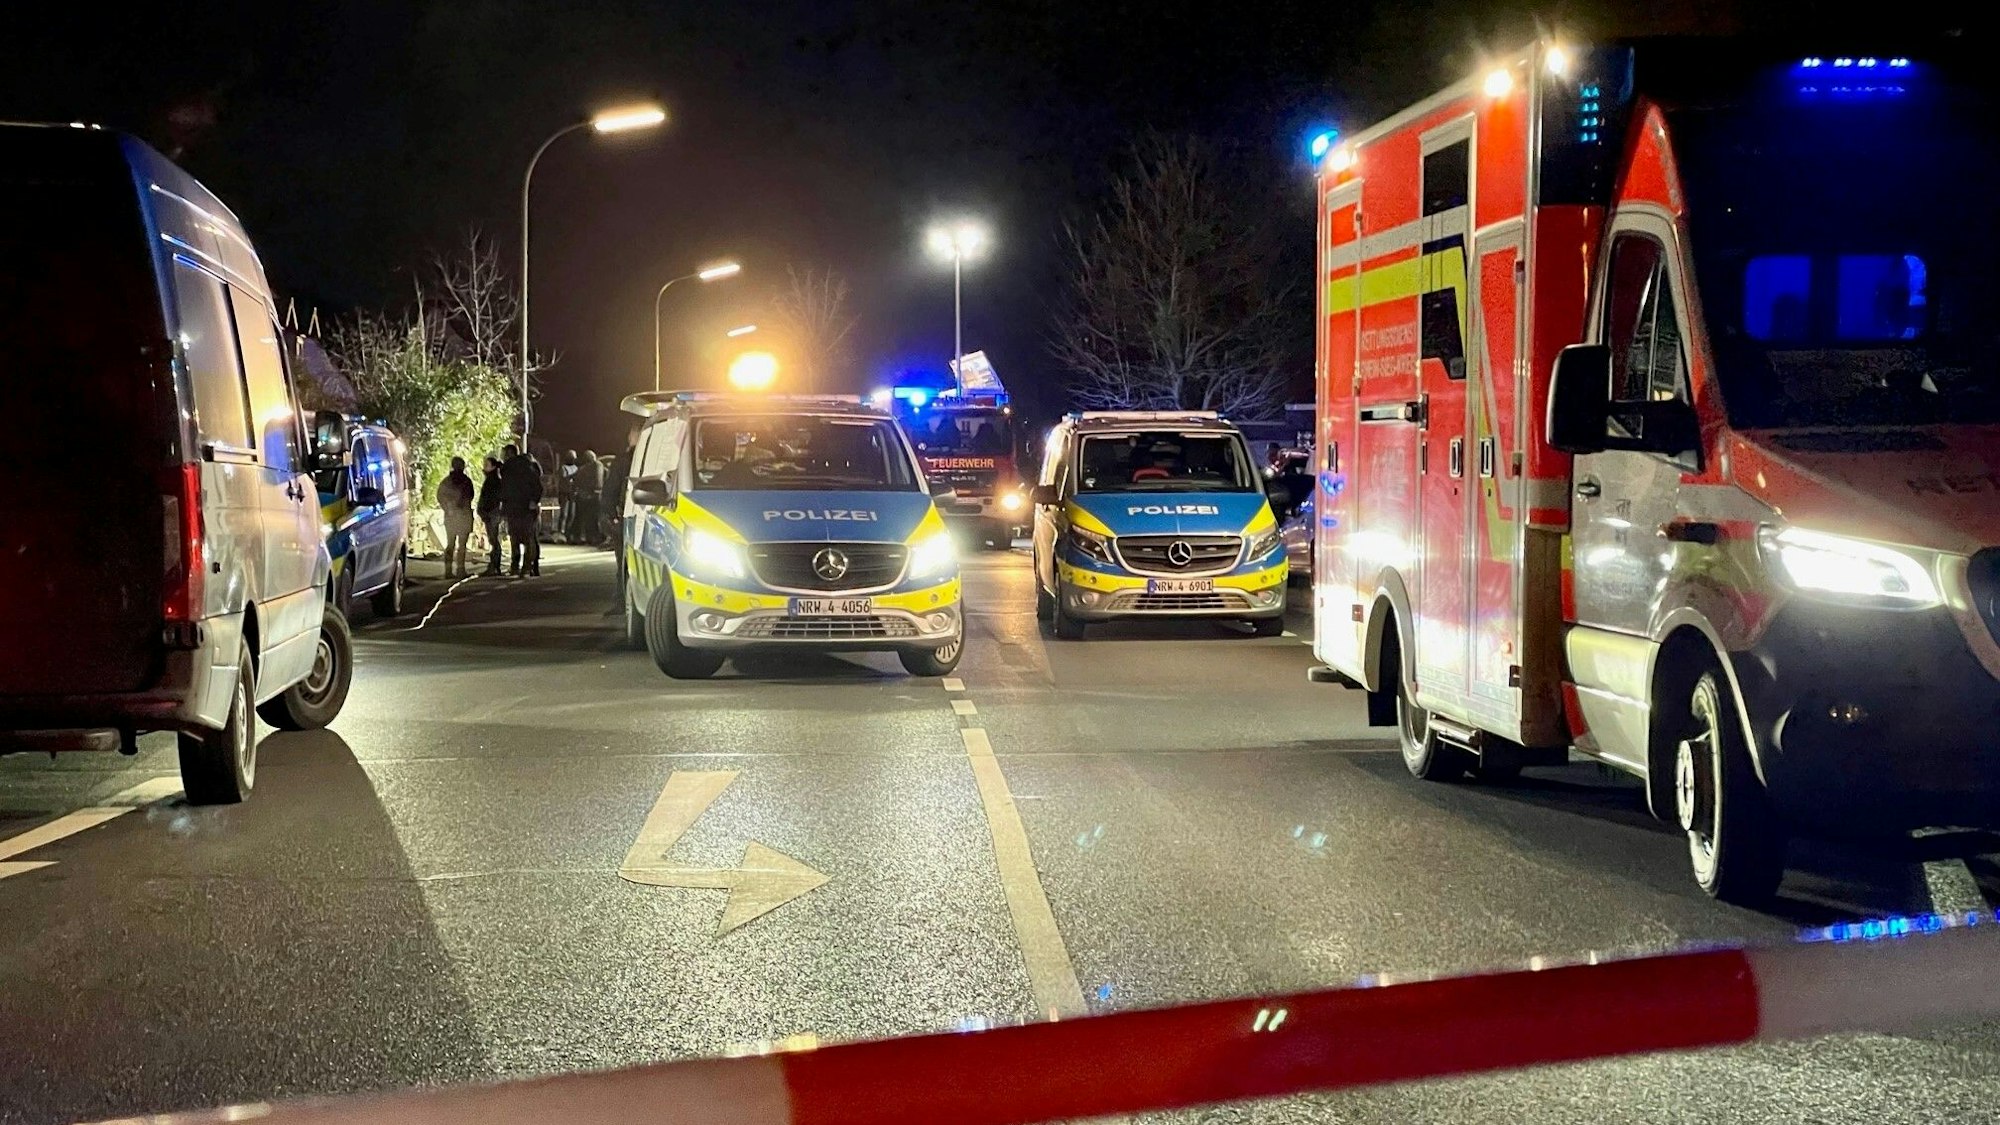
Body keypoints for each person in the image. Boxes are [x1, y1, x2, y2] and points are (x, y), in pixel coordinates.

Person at [500, 443, 544, 577]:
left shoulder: (508, 468)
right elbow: (538, 486)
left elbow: (504, 489)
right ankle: (529, 567)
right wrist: (534, 501)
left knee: (515, 538)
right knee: (529, 538)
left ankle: (516, 566)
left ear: (509, 454)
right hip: (527, 507)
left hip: (514, 507)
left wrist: (504, 507)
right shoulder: (530, 465)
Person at [435, 456, 476, 578]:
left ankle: (448, 571)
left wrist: (448, 508)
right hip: (463, 515)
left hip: (451, 516)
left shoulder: (446, 481)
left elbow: (440, 496)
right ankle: (460, 569)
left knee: (450, 544)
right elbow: (470, 496)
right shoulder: (466, 481)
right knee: (462, 545)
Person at [477, 455, 505, 576]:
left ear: (493, 467)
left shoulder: (493, 480)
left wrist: (485, 511)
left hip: (492, 513)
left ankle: (494, 566)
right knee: (493, 540)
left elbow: (490, 498)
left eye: (487, 465)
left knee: (494, 540)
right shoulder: (492, 479)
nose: (484, 467)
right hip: (491, 513)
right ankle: (494, 566)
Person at [572, 448, 604, 547]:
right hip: (596, 495)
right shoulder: (600, 466)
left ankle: (585, 537)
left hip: (585, 496)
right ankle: (594, 537)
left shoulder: (583, 469)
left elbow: (576, 482)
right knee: (594, 518)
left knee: (584, 518)